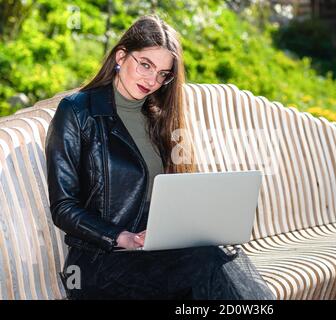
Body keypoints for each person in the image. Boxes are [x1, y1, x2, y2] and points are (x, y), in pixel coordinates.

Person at [45, 14, 275, 300]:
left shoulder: (159, 119)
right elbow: (63, 206)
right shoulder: (78, 112)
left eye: (163, 74)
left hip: (157, 252)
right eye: (145, 65)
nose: (152, 80)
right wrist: (120, 236)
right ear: (121, 56)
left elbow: (173, 196)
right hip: (100, 261)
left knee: (217, 256)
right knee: (208, 263)